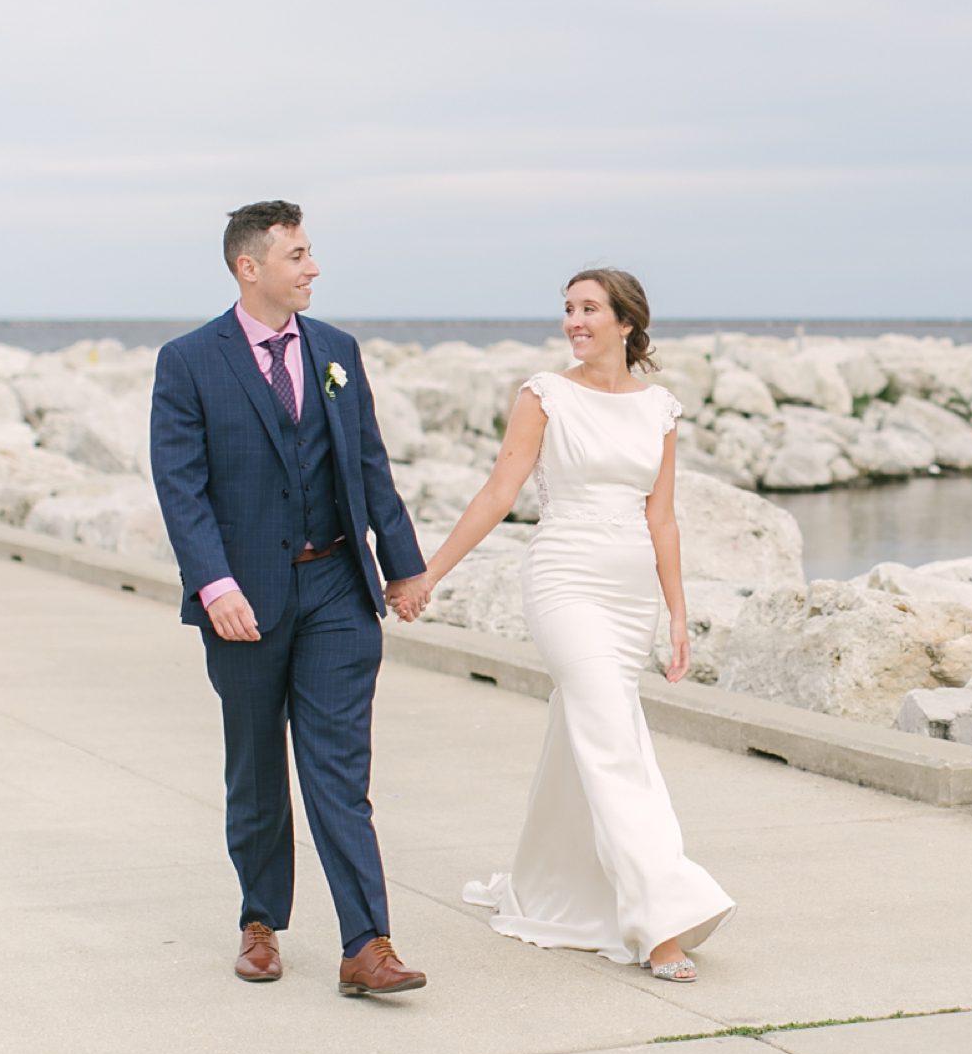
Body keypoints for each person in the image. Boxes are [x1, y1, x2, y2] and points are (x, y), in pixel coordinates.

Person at [148, 200, 435, 998]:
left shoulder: (336, 351)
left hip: (337, 584)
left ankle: (366, 943)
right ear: (251, 267)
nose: (313, 267)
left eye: (310, 253)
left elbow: (369, 463)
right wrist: (215, 584)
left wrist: (403, 565)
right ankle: (260, 920)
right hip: (242, 598)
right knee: (257, 768)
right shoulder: (188, 361)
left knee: (339, 768)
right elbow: (180, 485)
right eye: (298, 255)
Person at [418, 268, 735, 982]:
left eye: (590, 309)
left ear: (627, 323)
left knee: (587, 732)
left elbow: (662, 517)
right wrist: (430, 573)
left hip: (631, 595)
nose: (574, 321)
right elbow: (499, 492)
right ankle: (662, 918)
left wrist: (678, 613)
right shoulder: (544, 395)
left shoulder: (659, 408)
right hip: (564, 580)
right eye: (568, 309)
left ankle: (554, 887)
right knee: (614, 739)